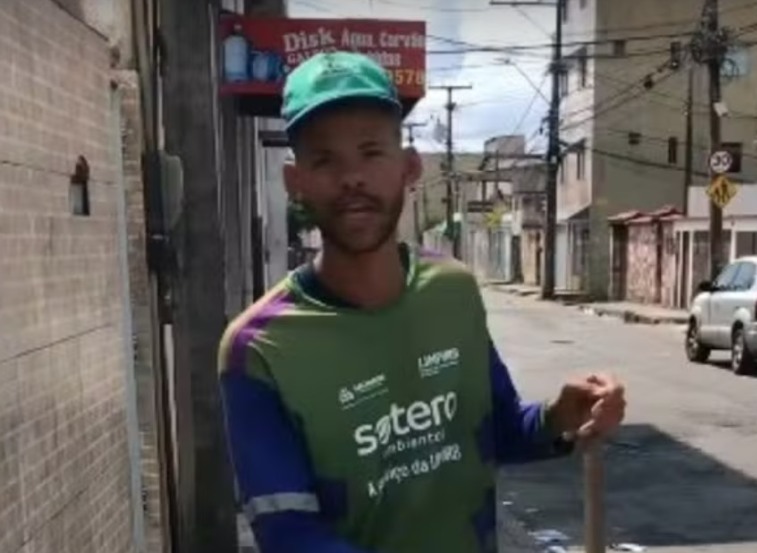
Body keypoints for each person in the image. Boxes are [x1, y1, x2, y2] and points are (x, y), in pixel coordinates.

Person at [218, 51, 626, 553]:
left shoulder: (453, 290)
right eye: (325, 159)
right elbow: (289, 534)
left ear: (408, 167)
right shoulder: (258, 348)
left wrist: (559, 417)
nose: (352, 178)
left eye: (371, 152)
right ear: (294, 181)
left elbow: (498, 431)